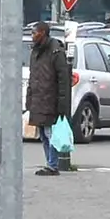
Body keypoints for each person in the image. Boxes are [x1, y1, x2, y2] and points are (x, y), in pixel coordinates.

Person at [24, 20, 74, 176]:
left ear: (43, 33)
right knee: (43, 134)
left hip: (50, 100)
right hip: (39, 99)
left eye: (34, 32)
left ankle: (53, 165)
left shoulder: (55, 52)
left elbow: (63, 79)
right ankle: (50, 163)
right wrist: (29, 99)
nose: (32, 35)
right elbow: (33, 77)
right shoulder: (36, 51)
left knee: (50, 133)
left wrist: (62, 103)